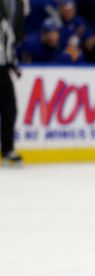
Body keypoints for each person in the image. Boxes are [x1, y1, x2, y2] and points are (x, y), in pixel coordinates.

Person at [0, 0, 23, 167]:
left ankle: (7, 149)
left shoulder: (5, 23)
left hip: (2, 70)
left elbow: (10, 46)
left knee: (10, 110)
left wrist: (14, 65)